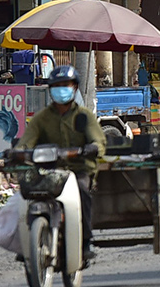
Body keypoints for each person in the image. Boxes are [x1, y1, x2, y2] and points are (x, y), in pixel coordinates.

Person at [17, 63, 103, 263]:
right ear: (51, 89)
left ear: (74, 88)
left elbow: (98, 142)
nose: (62, 89)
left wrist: (92, 148)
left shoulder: (85, 116)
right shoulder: (41, 118)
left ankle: (86, 242)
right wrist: (17, 152)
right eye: (58, 85)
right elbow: (26, 141)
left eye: (66, 84)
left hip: (80, 170)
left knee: (83, 192)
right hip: (49, 172)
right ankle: (25, 242)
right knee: (22, 198)